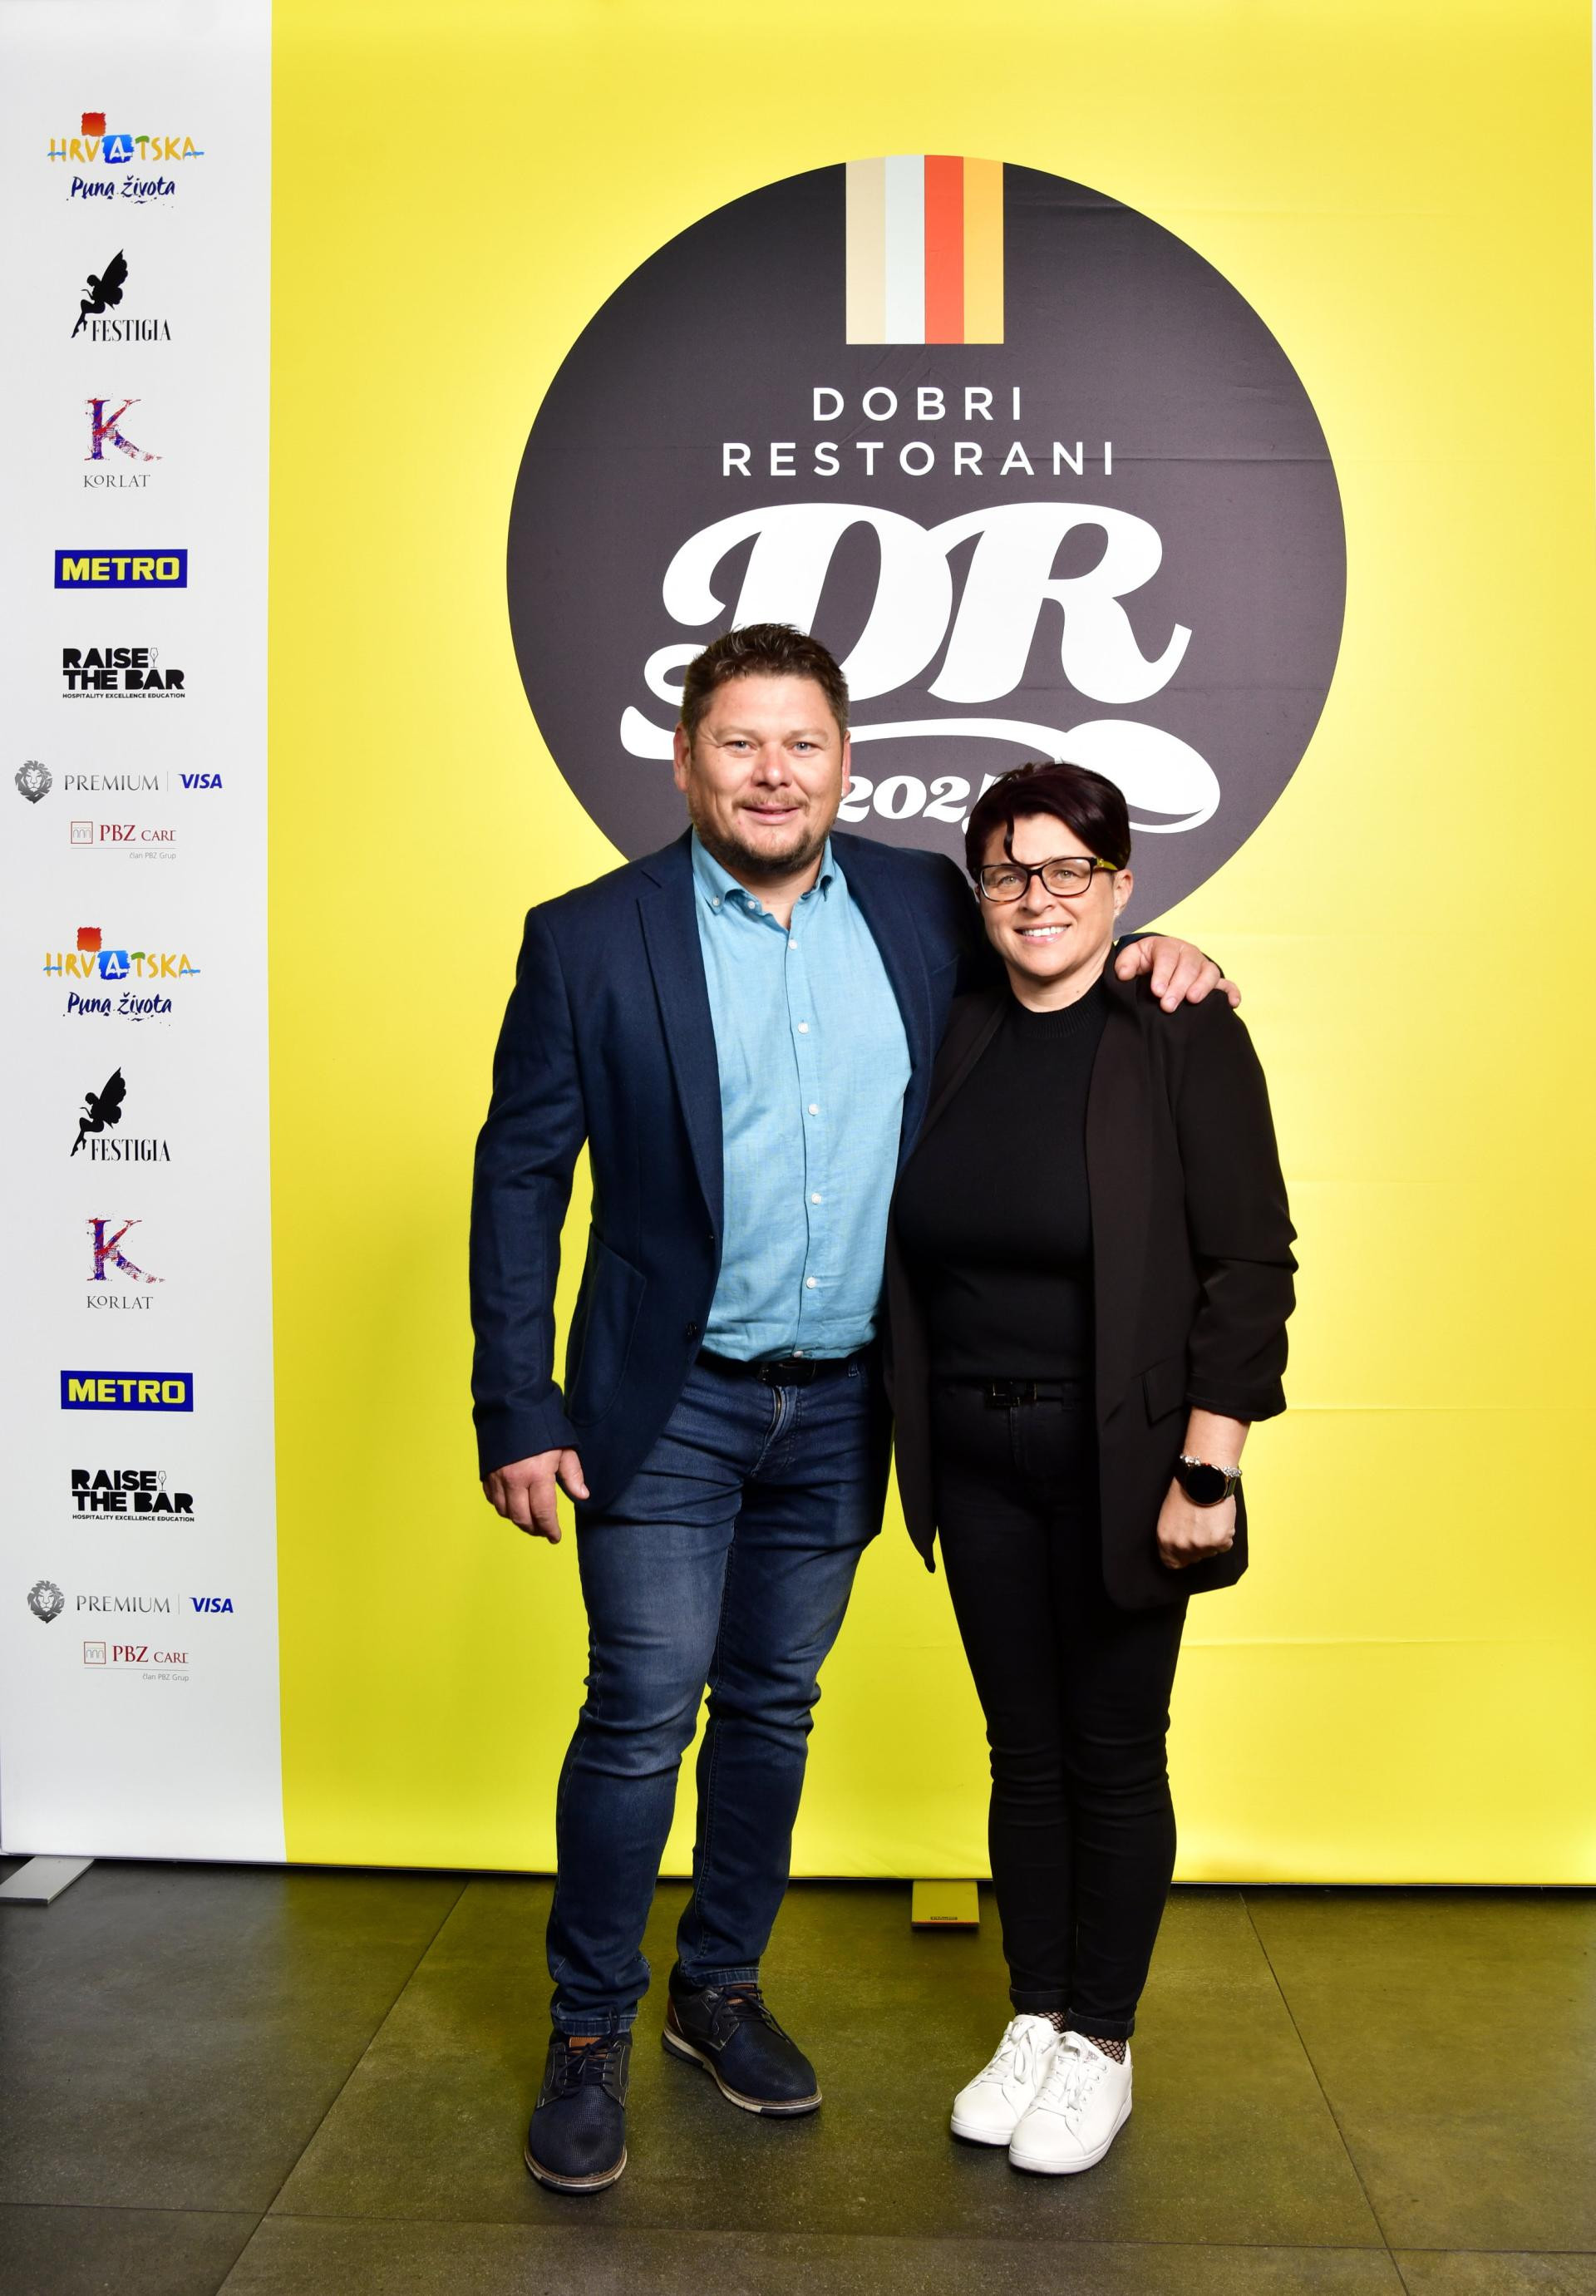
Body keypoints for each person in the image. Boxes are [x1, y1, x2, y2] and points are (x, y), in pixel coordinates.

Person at [470, 628, 1229, 2194]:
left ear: (844, 762)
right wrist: (517, 1401)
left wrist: (1176, 954)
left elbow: (1059, 948)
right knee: (641, 1710)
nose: (773, 773)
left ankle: (718, 1991)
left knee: (772, 1706)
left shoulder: (921, 903)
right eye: (739, 742)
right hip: (667, 1400)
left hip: (847, 1402)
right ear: (685, 759)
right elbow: (519, 1179)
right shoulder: (588, 938)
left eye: (802, 743)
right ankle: (588, 2027)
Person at [886, 761, 1295, 2176]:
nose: (1038, 896)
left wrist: (1210, 1468)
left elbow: (1250, 1265)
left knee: (1114, 1753)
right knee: (1022, 1749)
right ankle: (1038, 2013)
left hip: (1128, 1460)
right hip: (974, 1457)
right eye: (1009, 871)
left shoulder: (1179, 1029)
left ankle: (1103, 2044)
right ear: (980, 891)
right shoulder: (951, 1024)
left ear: (1122, 885)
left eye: (1070, 869)